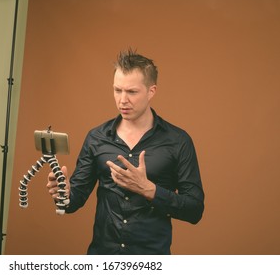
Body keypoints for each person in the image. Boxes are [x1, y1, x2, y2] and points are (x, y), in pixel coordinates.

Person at [46, 49, 204, 255]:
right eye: (117, 90)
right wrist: (63, 193)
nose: (122, 100)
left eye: (131, 92)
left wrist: (149, 189)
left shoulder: (178, 141)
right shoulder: (96, 137)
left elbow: (194, 210)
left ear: (151, 91)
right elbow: (72, 203)